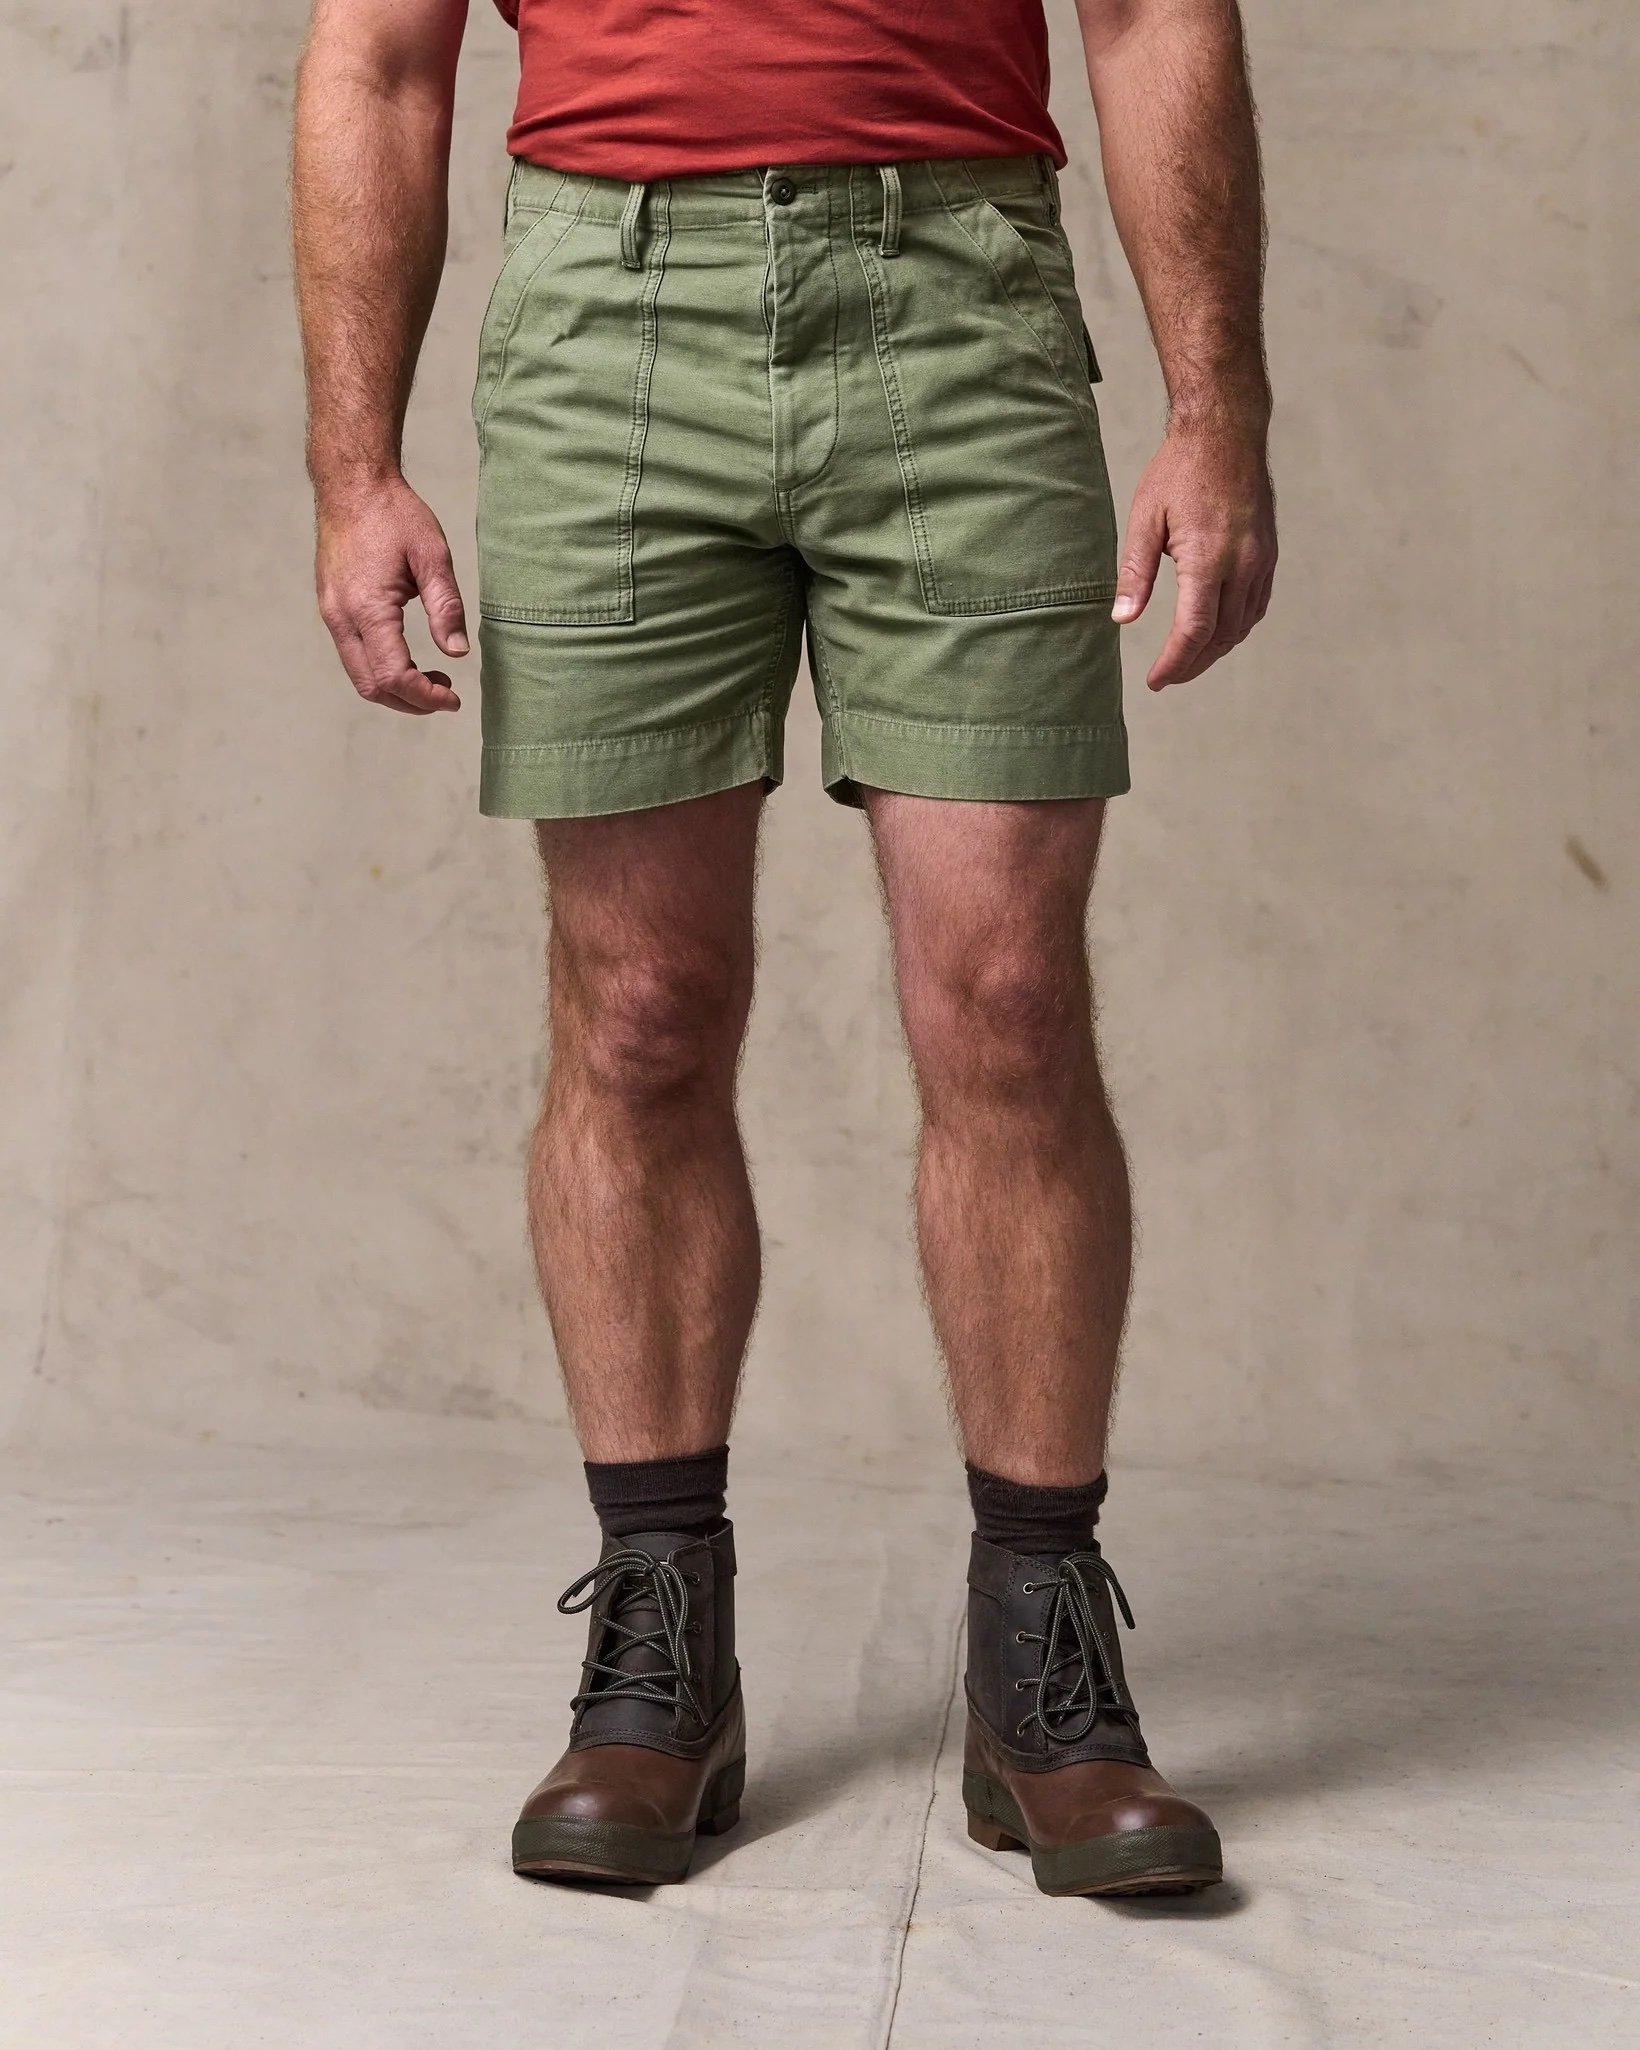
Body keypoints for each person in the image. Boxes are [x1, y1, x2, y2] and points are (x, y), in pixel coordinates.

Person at [292, 0, 1276, 1897]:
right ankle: (659, 1653)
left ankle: (1043, 1672)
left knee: (1007, 1000)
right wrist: (354, 466)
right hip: (607, 308)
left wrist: (1216, 406)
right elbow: (378, 58)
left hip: (961, 288)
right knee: (639, 1008)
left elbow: (1154, 13)